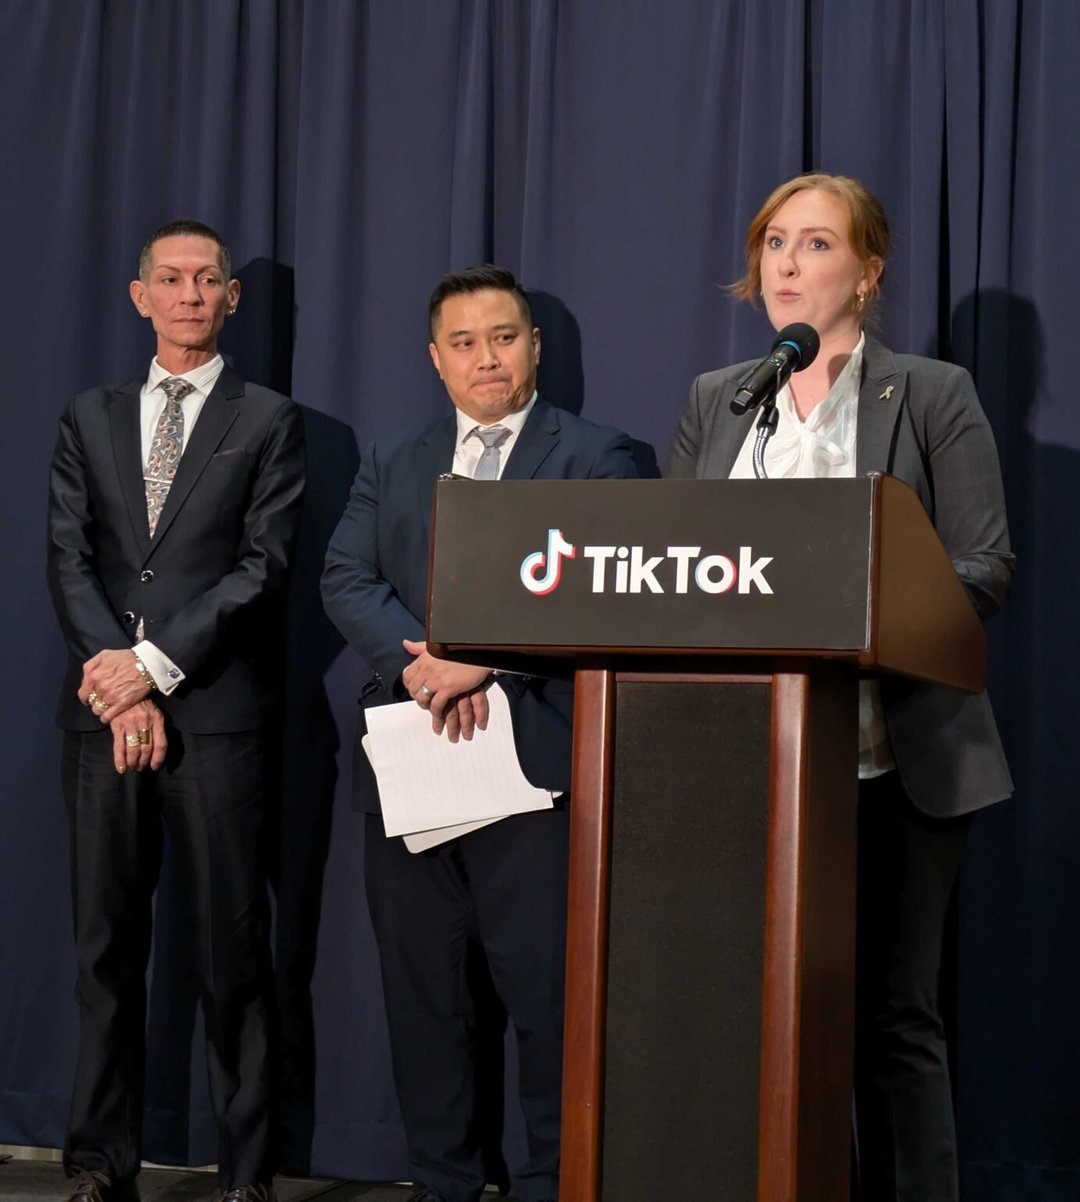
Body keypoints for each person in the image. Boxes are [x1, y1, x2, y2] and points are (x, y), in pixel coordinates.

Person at [668, 173, 1013, 1200]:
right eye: (773, 242)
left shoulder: (933, 393)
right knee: (765, 1014)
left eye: (815, 244)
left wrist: (853, 622)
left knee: (891, 1016)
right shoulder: (718, 397)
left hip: (894, 755)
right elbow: (676, 568)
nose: (785, 264)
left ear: (867, 271)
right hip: (750, 764)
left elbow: (984, 567)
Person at [321, 265, 639, 1202]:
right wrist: (418, 666)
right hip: (414, 766)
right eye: (463, 343)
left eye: (503, 337)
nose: (485, 358)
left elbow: (607, 592)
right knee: (427, 1007)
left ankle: (552, 1183)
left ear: (534, 346)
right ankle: (445, 1184)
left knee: (549, 1006)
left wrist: (487, 659)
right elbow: (346, 578)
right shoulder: (392, 460)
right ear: (435, 359)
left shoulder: (600, 457)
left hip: (538, 778)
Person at [46, 220, 305, 1202]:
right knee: (103, 948)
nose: (191, 293)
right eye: (172, 278)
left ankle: (247, 1171)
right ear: (138, 294)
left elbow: (262, 567)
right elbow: (68, 557)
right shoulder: (89, 413)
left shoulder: (269, 417)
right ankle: (95, 1161)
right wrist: (118, 683)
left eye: (208, 280)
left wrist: (151, 667)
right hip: (98, 717)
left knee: (230, 949)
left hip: (218, 718)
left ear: (230, 299)